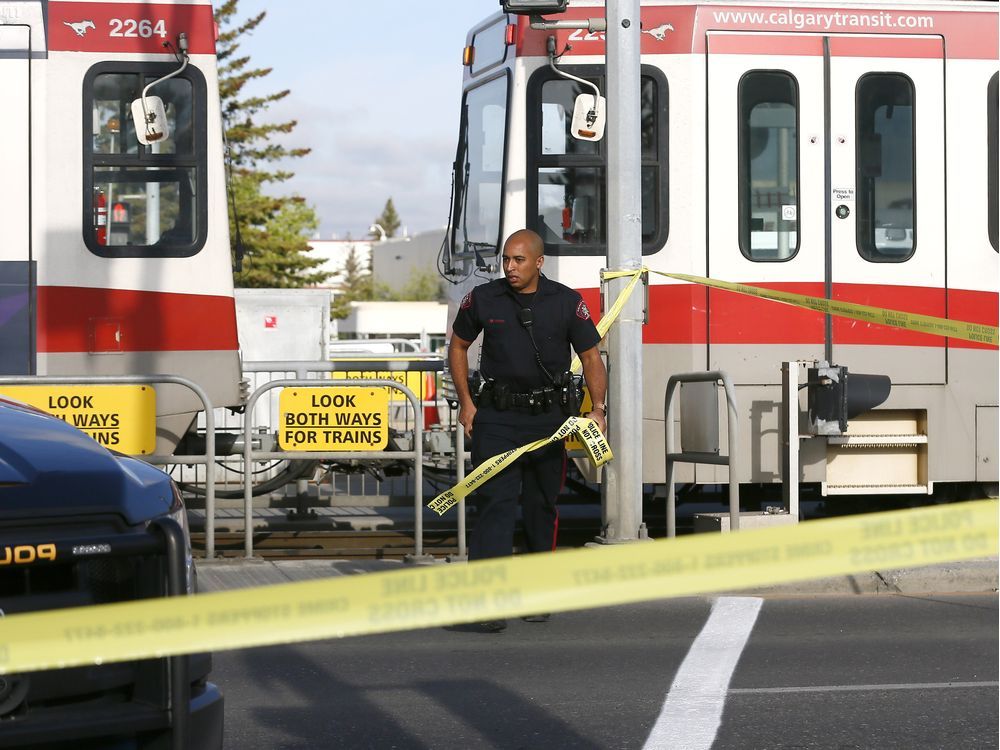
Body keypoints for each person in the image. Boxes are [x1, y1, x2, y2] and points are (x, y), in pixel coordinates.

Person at [448, 229, 608, 632]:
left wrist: (599, 409)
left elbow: (590, 356)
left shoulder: (567, 302)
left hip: (547, 421)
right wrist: (467, 402)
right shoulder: (484, 299)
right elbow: (458, 346)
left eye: (518, 260)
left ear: (539, 262)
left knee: (540, 507)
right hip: (497, 419)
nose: (509, 267)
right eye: (506, 259)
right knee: (494, 506)